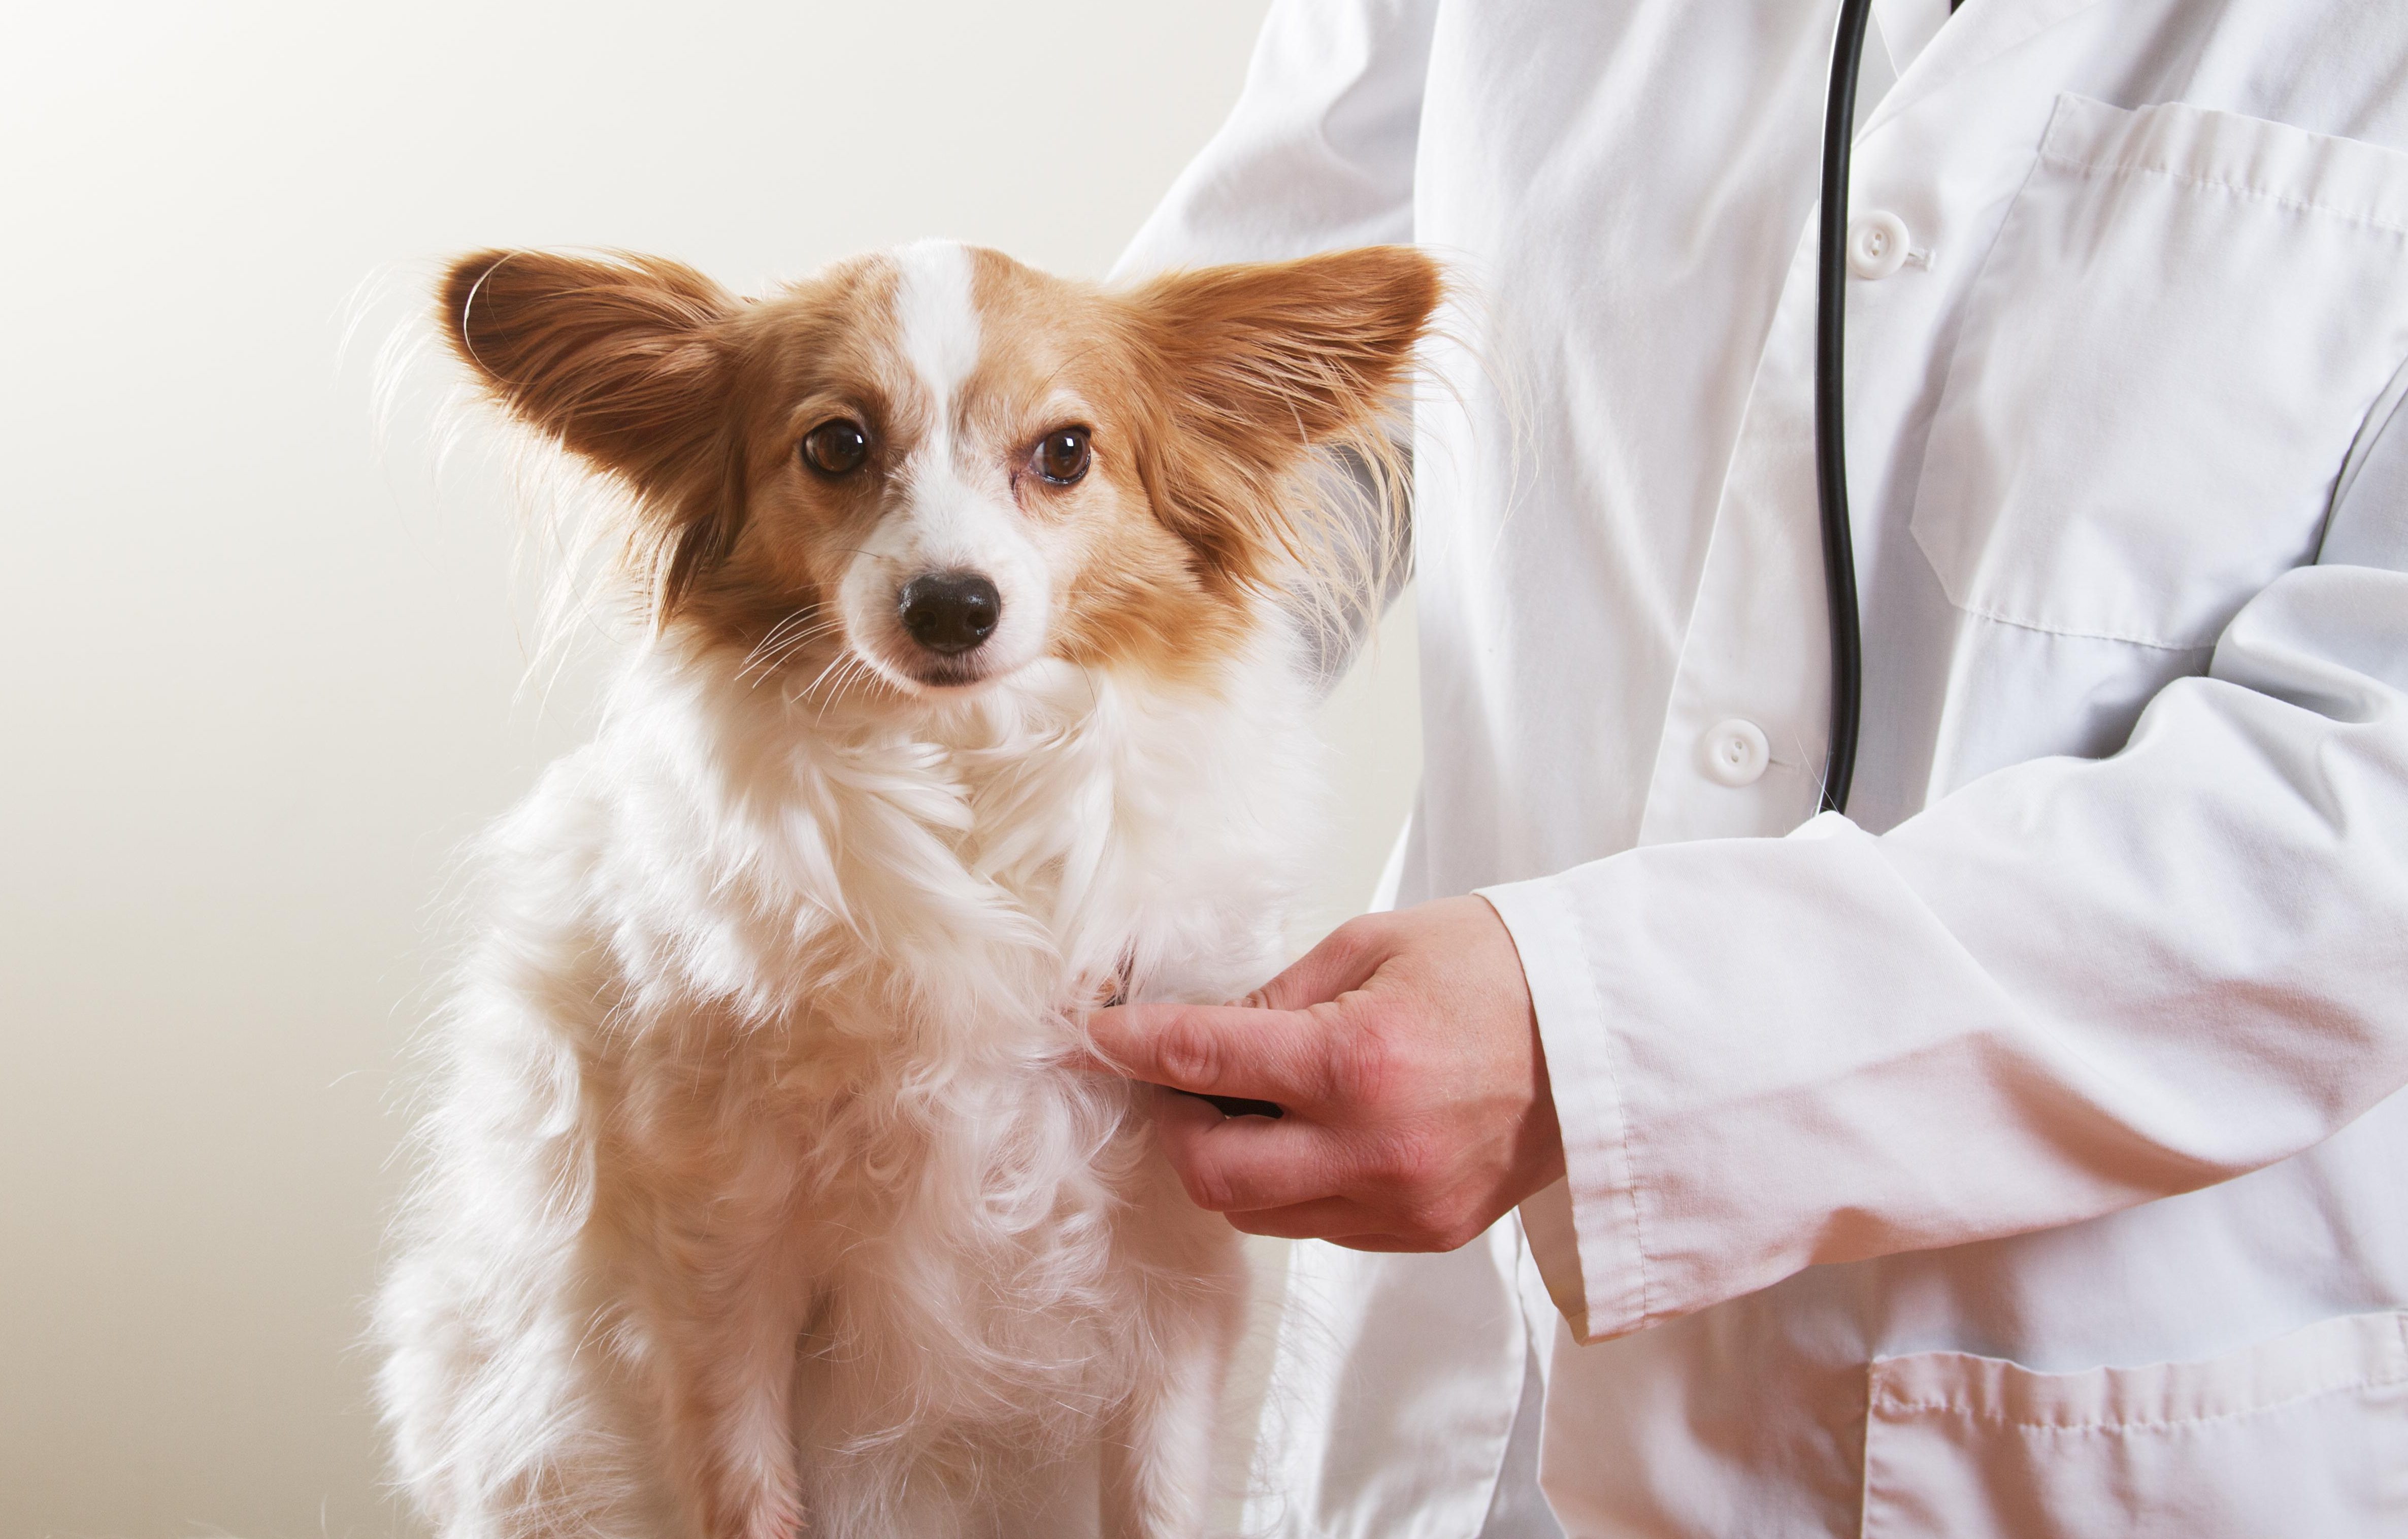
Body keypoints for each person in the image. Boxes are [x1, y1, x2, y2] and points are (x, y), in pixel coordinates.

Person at [1083, 2, 2408, 1534]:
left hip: (2066, 1423)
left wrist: (1593, 1048)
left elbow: (2363, 808)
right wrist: (958, 829)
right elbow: (1229, 441)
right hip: (1459, 1409)